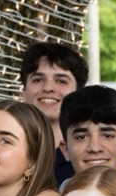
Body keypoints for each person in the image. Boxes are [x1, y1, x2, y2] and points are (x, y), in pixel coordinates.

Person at [18, 41, 89, 184]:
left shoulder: (91, 153)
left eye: (61, 81)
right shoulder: (3, 150)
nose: (48, 88)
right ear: (23, 93)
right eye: (38, 79)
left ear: (79, 94)